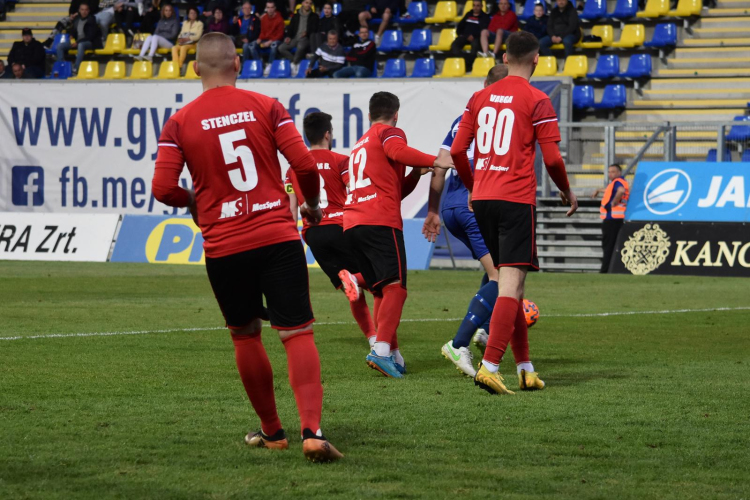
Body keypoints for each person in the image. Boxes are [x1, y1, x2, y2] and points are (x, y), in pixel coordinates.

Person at [152, 32, 342, 462]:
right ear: (238, 64)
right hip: (277, 235)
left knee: (245, 335)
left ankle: (273, 433)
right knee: (296, 333)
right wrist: (311, 205)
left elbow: (163, 187)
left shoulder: (179, 122)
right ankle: (312, 431)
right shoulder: (267, 107)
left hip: (224, 245)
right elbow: (305, 164)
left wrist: (192, 200)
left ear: (195, 67)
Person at [450, 31, 578, 395]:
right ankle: (490, 366)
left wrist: (474, 186)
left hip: (484, 198)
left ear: (504, 57)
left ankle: (525, 368)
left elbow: (459, 151)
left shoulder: (479, 98)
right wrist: (567, 191)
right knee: (512, 284)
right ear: (537, 59)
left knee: (512, 286)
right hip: (516, 199)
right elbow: (552, 157)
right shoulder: (538, 100)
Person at [341, 92, 452, 378]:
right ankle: (380, 351)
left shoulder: (359, 145)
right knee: (396, 288)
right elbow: (397, 151)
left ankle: (392, 354)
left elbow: (396, 191)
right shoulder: (389, 133)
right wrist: (436, 161)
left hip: (352, 223)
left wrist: (416, 173)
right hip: (379, 221)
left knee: (380, 290)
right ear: (396, 114)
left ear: (368, 115)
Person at [423, 63, 509, 378]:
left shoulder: (464, 117)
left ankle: (485, 330)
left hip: (451, 207)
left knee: (497, 267)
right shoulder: (503, 115)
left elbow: (441, 164)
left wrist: (433, 210)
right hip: (477, 203)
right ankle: (459, 343)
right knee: (504, 277)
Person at [284, 112, 378, 347]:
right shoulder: (340, 161)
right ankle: (384, 341)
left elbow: (291, 207)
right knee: (380, 279)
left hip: (313, 235)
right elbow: (354, 192)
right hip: (341, 227)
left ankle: (373, 338)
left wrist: (291, 237)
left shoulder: (292, 169)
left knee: (352, 290)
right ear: (327, 134)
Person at [592, 164, 629, 273]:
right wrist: (599, 190)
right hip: (618, 218)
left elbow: (620, 191)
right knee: (612, 246)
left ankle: (604, 270)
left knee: (608, 246)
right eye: (609, 172)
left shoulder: (618, 182)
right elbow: (611, 190)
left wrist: (613, 202)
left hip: (611, 218)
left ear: (619, 173)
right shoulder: (620, 182)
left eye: (613, 171)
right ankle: (611, 269)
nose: (610, 174)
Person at [56, 3, 103, 74]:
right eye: (82, 10)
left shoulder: (91, 20)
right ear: (79, 10)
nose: (84, 12)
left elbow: (90, 36)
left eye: (86, 10)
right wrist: (71, 35)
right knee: (60, 46)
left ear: (89, 11)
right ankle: (62, 66)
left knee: (81, 44)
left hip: (89, 42)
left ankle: (76, 68)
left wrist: (77, 43)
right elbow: (73, 30)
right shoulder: (77, 19)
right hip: (77, 41)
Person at [278, 0, 317, 72]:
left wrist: (307, 33)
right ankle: (295, 61)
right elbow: (290, 28)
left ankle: (294, 63)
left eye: (310, 3)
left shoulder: (314, 16)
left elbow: (314, 29)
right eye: (306, 3)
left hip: (305, 38)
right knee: (281, 48)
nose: (308, 5)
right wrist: (288, 37)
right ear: (302, 3)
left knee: (300, 47)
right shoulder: (296, 16)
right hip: (295, 38)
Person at [450, 0, 490, 71]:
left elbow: (484, 29)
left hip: (476, 38)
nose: (475, 7)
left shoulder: (485, 17)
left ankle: (468, 65)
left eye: (478, 5)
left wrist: (473, 36)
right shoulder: (468, 14)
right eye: (474, 5)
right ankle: (467, 60)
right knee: (454, 45)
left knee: (475, 46)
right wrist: (466, 35)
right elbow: (459, 27)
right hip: (465, 36)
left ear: (481, 6)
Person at [247, 1, 284, 65]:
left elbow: (280, 35)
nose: (270, 10)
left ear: (275, 8)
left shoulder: (279, 19)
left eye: (272, 7)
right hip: (265, 39)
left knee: (273, 45)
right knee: (251, 45)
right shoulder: (264, 18)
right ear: (266, 8)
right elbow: (262, 31)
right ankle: (259, 64)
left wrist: (270, 41)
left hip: (275, 40)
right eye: (268, 7)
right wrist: (260, 39)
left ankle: (270, 64)